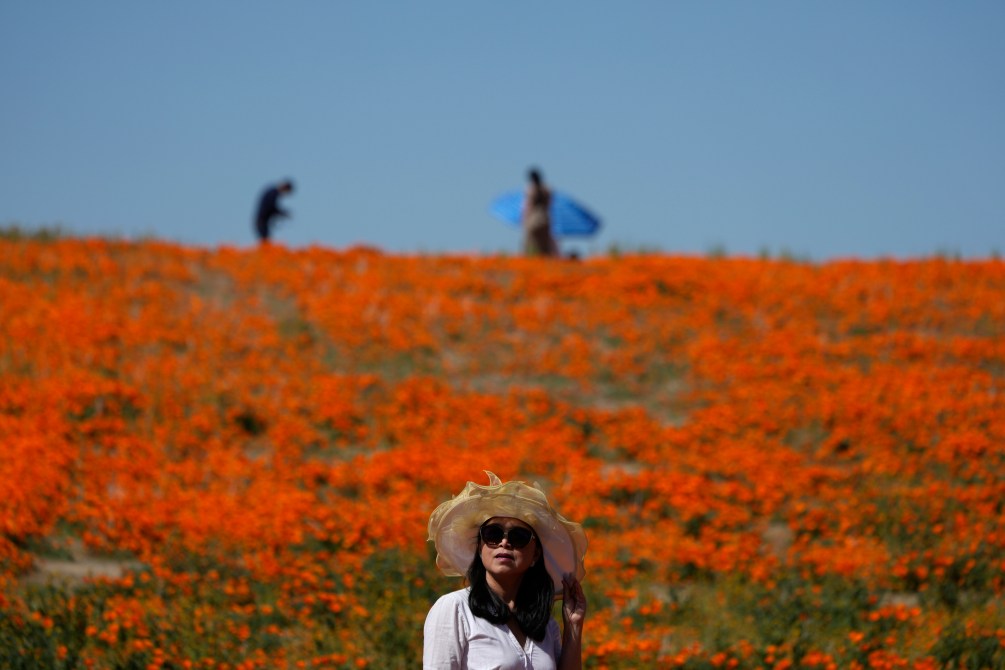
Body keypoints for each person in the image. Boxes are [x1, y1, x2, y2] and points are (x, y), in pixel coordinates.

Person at [424, 471, 588, 670]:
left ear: (535, 554)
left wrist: (573, 626)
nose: (504, 542)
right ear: (479, 546)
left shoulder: (546, 625)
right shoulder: (455, 609)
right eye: (493, 534)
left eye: (518, 537)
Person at [522, 168, 559, 257]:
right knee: (545, 246)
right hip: (545, 219)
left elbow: (528, 206)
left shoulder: (531, 190)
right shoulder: (547, 189)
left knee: (531, 243)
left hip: (533, 219)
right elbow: (550, 202)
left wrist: (525, 218)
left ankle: (532, 263)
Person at [254, 179, 295, 243]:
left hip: (262, 221)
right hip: (261, 221)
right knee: (265, 241)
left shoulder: (273, 192)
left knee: (266, 239)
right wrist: (282, 213)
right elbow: (271, 207)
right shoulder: (273, 193)